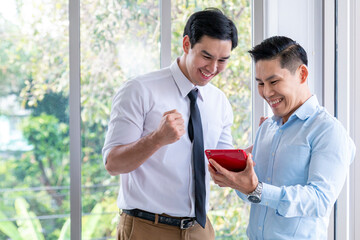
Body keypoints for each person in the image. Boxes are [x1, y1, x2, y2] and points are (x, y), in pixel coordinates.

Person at [102, 8, 239, 240]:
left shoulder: (219, 102)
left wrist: (262, 147)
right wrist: (156, 139)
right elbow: (113, 164)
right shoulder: (139, 90)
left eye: (223, 60)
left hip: (200, 229)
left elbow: (222, 165)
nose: (213, 68)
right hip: (147, 228)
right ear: (187, 44)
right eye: (206, 56)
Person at [209, 36, 356, 240]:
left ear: (302, 74)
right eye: (260, 83)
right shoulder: (267, 128)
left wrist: (257, 189)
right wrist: (236, 180)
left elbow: (320, 200)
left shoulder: (328, 131)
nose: (267, 92)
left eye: (274, 81)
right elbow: (253, 195)